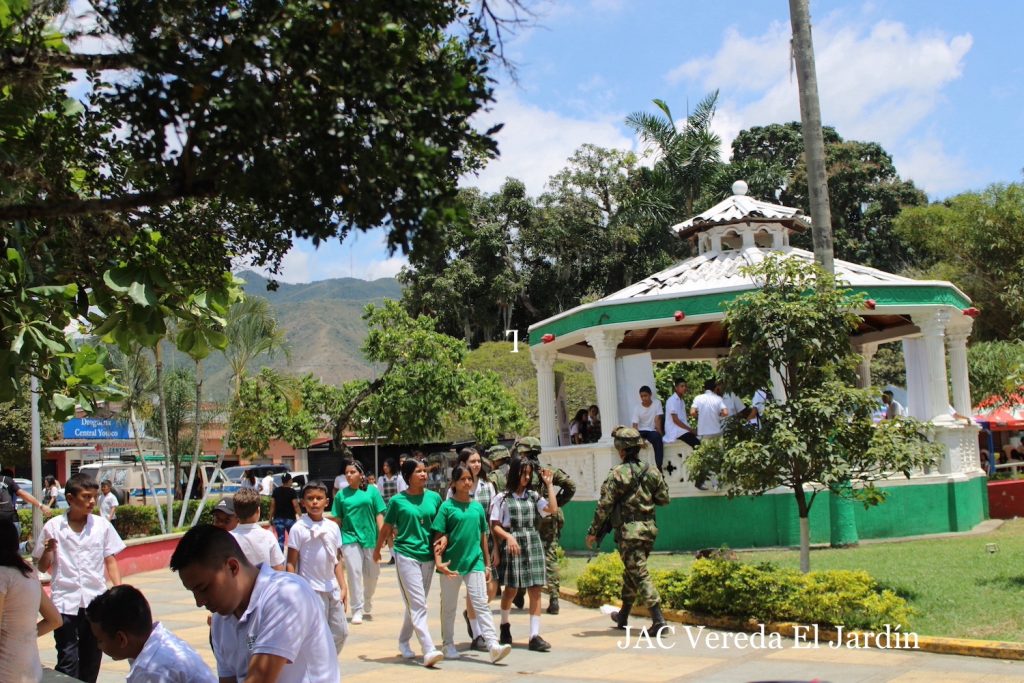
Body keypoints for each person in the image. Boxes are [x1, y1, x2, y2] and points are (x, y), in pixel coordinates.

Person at [171, 525, 338, 683]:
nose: (199, 602)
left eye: (204, 588)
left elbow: (259, 678)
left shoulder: (286, 595)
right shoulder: (220, 623)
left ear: (232, 567)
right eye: (193, 592)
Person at [33, 473, 125, 683]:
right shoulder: (53, 527)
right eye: (86, 496)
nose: (92, 501)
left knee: (92, 659)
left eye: (94, 496)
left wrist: (118, 591)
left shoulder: (102, 526)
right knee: (67, 659)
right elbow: (42, 566)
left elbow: (110, 559)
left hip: (95, 604)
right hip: (65, 604)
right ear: (70, 498)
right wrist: (49, 550)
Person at [586, 426, 671, 635]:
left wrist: (593, 531)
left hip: (628, 533)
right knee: (632, 572)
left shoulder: (617, 474)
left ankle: (658, 620)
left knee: (639, 573)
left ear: (621, 449)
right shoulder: (652, 471)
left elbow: (604, 505)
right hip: (648, 530)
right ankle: (623, 615)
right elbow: (664, 499)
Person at [433, 464, 512, 664]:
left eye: (470, 479)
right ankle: (448, 643)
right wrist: (439, 563)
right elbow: (438, 536)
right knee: (448, 606)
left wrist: (486, 564)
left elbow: (483, 537)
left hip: (475, 562)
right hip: (451, 564)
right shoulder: (446, 507)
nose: (468, 482)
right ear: (454, 483)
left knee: (481, 604)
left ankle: (493, 645)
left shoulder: (476, 506)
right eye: (463, 479)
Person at [372, 458, 444, 667]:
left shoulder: (434, 498)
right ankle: (428, 648)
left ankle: (403, 641)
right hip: (406, 555)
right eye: (418, 471)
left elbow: (440, 525)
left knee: (415, 603)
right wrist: (378, 550)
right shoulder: (397, 501)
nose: (423, 475)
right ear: (408, 476)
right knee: (419, 603)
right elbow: (387, 528)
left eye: (424, 471)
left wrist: (443, 541)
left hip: (428, 556)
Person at [491, 455, 558, 652]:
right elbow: (494, 525)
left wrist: (550, 485)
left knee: (535, 589)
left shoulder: (534, 496)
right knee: (511, 589)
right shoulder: (502, 498)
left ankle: (534, 636)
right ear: (514, 473)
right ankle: (504, 625)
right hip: (513, 545)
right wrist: (509, 538)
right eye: (523, 474)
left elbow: (552, 509)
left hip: (532, 543)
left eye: (529, 474)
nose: (526, 478)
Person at [85, 584, 216, 683]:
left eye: (100, 640)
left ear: (121, 639)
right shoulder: (160, 641)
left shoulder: (151, 670)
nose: (98, 647)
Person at [286, 480, 349, 654]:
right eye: (310, 498)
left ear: (326, 502)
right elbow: (291, 562)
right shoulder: (298, 528)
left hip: (332, 587)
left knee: (341, 632)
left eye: (319, 498)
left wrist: (343, 586)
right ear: (303, 502)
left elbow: (336, 559)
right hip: (311, 590)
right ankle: (319, 669)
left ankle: (327, 662)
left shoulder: (333, 527)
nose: (315, 502)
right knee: (317, 635)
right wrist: (294, 589)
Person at [515, 437, 576, 615]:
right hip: (549, 518)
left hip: (528, 520)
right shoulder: (548, 471)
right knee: (550, 557)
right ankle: (554, 600)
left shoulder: (521, 473)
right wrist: (555, 503)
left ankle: (519, 593)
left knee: (524, 556)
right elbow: (570, 486)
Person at [448, 448, 498, 650]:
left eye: (479, 461)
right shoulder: (453, 491)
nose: (477, 464)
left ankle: (471, 617)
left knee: (491, 588)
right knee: (474, 591)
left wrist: (495, 548)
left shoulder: (488, 486)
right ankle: (478, 634)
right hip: (464, 545)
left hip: (485, 542)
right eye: (472, 461)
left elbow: (493, 517)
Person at [1, 519, 62, 683]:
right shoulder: (28, 573)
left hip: (6, 670)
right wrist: (23, 635)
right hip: (30, 669)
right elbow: (55, 620)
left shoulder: (2, 576)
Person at [329, 459, 385, 625]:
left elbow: (379, 514)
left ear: (361, 475)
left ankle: (367, 597)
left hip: (370, 538)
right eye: (346, 472)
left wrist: (382, 536)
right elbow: (337, 520)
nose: (348, 475)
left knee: (373, 574)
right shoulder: (341, 495)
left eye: (352, 472)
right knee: (354, 573)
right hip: (349, 538)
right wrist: (334, 542)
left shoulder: (372, 492)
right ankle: (357, 609)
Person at [230, 488, 285, 570]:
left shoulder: (228, 537)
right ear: (258, 511)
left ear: (235, 513)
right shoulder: (268, 536)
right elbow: (279, 569)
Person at [0, 465, 50, 538]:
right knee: (14, 546)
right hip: (11, 519)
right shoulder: (7, 480)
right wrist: (40, 505)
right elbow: (23, 494)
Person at [631, 386, 665, 471]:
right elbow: (635, 425)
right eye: (641, 396)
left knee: (657, 439)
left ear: (650, 395)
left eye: (645, 395)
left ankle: (659, 466)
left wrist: (660, 434)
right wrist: (638, 439)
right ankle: (633, 468)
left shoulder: (657, 403)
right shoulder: (637, 407)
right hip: (641, 431)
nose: (643, 398)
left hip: (651, 430)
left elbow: (658, 419)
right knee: (632, 444)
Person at [663, 379, 701, 450]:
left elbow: (682, 418)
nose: (684, 388)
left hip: (682, 429)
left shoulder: (682, 401)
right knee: (696, 444)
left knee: (700, 436)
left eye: (685, 386)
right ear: (676, 388)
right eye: (682, 386)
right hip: (674, 430)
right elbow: (675, 420)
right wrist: (690, 430)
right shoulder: (671, 400)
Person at [269, 473, 301, 551]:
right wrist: (300, 516)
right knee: (293, 539)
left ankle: (281, 558)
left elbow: (273, 505)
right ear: (290, 480)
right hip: (290, 519)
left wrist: (270, 517)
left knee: (280, 539)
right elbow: (295, 505)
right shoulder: (292, 491)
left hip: (278, 519)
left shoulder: (276, 491)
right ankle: (294, 556)